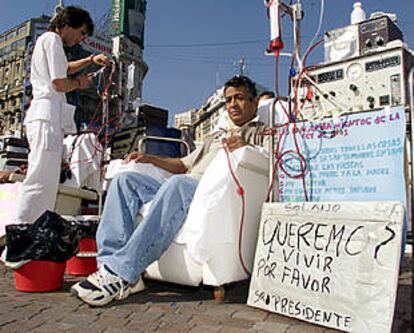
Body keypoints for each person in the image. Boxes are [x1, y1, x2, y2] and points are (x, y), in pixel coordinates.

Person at [71, 75, 268, 306]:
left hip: (207, 193)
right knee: (124, 181)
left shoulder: (260, 132)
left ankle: (122, 272)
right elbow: (184, 164)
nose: (233, 104)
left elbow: (270, 161)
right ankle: (107, 268)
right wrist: (150, 158)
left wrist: (247, 148)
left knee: (179, 184)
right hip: (184, 187)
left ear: (254, 103)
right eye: (229, 100)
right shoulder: (217, 135)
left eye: (240, 98)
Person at [15, 6, 110, 224]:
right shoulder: (53, 40)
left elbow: (63, 68)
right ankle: (22, 232)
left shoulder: (47, 42)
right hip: (47, 118)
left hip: (45, 118)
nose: (82, 38)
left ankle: (29, 230)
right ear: (67, 25)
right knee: (41, 180)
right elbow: (59, 82)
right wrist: (79, 83)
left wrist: (89, 60)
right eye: (82, 32)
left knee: (45, 180)